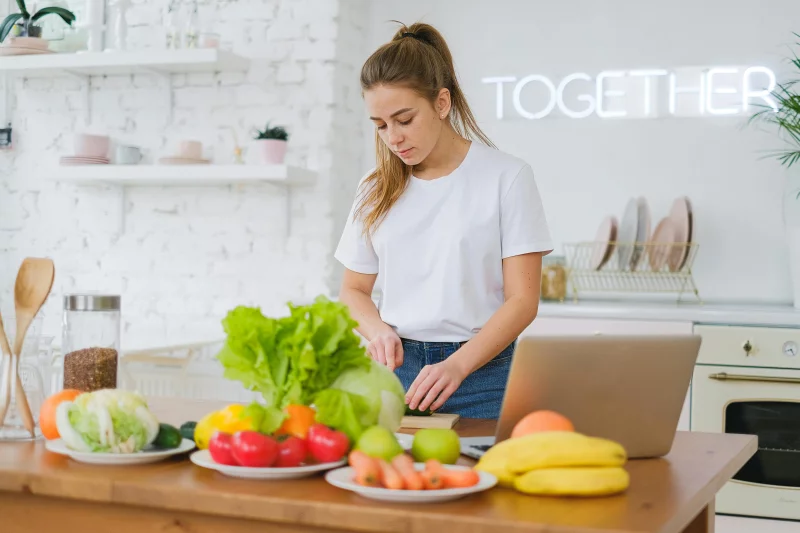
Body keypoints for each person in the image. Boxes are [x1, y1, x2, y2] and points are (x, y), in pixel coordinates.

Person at [334, 22, 553, 419]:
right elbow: (353, 290)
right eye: (381, 126)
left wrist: (459, 365)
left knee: (483, 480)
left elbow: (522, 300)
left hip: (484, 378)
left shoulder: (507, 177)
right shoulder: (374, 187)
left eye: (404, 119)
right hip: (395, 375)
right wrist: (378, 330)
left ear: (441, 102)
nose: (393, 138)